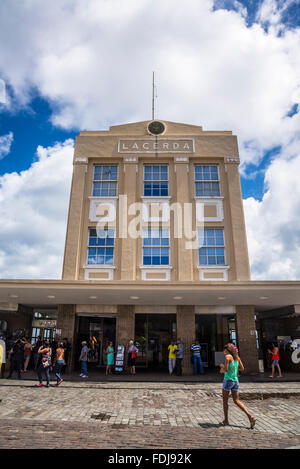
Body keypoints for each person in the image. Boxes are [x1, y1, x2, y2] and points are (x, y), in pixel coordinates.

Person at [219, 343, 255, 429]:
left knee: (225, 401)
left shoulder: (228, 357)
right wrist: (234, 368)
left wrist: (222, 367)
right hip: (235, 381)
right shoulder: (237, 358)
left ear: (227, 350)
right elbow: (242, 368)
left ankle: (226, 420)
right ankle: (250, 416)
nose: (223, 352)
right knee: (236, 400)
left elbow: (226, 370)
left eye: (224, 350)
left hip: (228, 381)